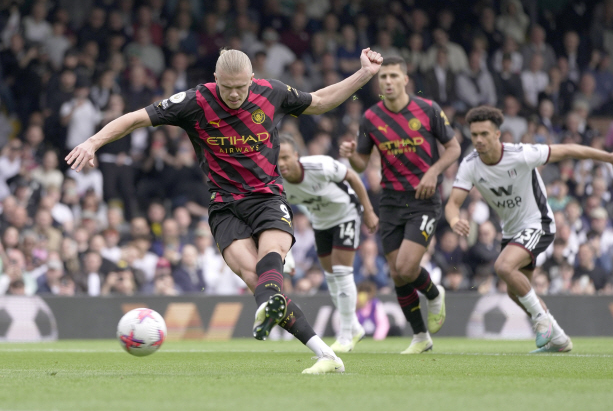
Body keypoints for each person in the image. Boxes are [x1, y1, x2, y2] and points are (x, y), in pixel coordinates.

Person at [66, 47, 384, 374]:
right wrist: (93, 142)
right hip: (224, 206)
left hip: (267, 197)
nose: (233, 94)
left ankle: (285, 319)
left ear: (252, 79)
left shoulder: (272, 91)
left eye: (240, 87)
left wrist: (364, 74)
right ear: (215, 79)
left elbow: (320, 101)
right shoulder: (194, 101)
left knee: (271, 256)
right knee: (254, 277)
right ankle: (325, 353)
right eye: (226, 86)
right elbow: (135, 119)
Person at [444, 106, 613, 352]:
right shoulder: (470, 164)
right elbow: (452, 204)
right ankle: (559, 339)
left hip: (539, 223)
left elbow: (570, 149)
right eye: (474, 135)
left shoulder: (521, 154)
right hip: (512, 231)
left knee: (503, 267)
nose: (479, 140)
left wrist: (610, 158)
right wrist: (454, 221)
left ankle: (541, 321)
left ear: (497, 134)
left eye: (484, 134)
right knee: (516, 293)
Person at [340, 55, 460, 354]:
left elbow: (454, 147)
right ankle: (420, 337)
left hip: (423, 198)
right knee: (396, 272)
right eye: (383, 77)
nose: (388, 81)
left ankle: (434, 293)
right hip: (391, 201)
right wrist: (350, 153)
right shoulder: (371, 118)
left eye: (393, 76)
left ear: (405, 79)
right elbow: (361, 162)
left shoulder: (428, 110)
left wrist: (433, 171)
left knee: (407, 267)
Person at [278, 135, 379, 352]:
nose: (281, 163)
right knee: (332, 277)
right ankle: (354, 326)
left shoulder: (319, 165)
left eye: (285, 157)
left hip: (347, 213)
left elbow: (352, 177)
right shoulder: (278, 184)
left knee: (342, 272)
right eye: (277, 159)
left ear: (296, 155)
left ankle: (345, 335)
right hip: (321, 222)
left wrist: (368, 211)